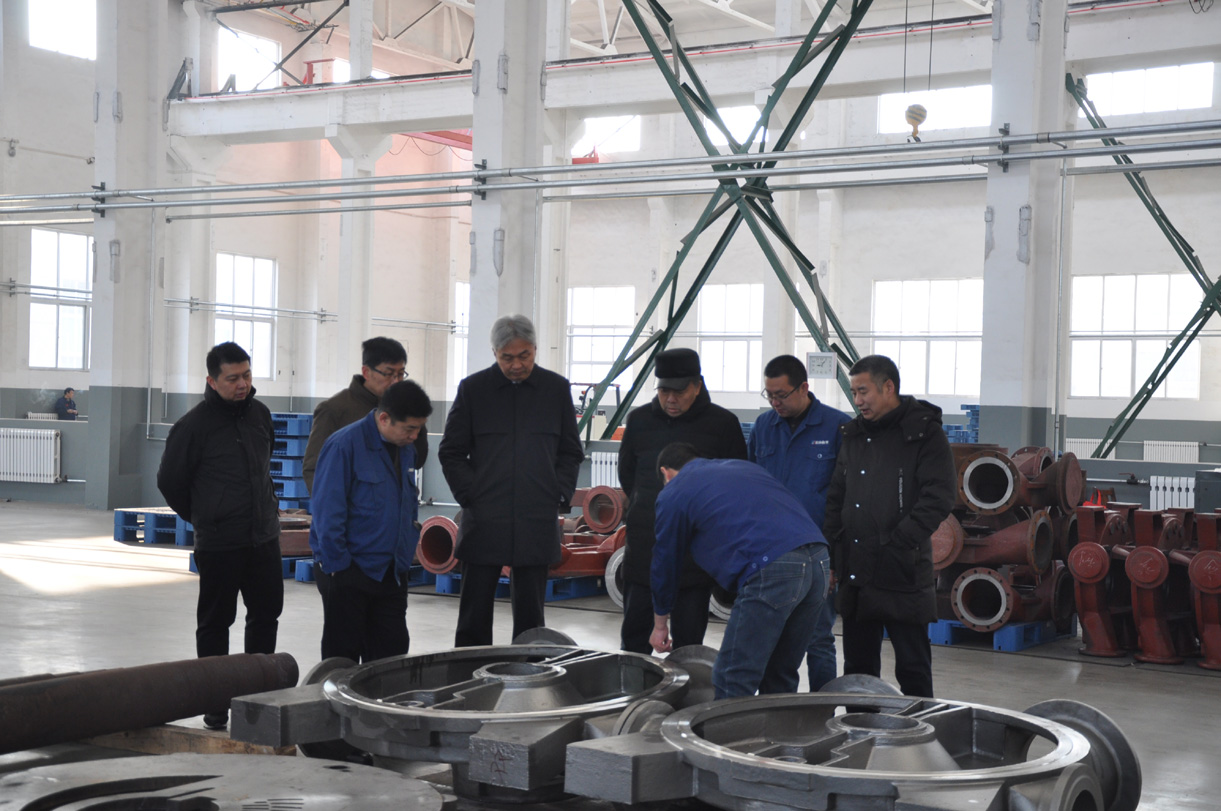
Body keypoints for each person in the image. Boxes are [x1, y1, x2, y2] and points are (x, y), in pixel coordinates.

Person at [157, 342, 283, 730]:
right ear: (212, 381)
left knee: (265, 616)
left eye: (246, 375)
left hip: (263, 538)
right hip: (220, 543)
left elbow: (264, 468)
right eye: (232, 378)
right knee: (216, 623)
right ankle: (215, 701)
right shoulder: (193, 426)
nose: (242, 384)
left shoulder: (260, 415)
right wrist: (205, 517)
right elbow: (170, 482)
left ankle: (257, 698)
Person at [438, 314, 584, 647]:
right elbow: (451, 451)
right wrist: (471, 495)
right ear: (494, 353)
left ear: (535, 349)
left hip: (536, 514)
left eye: (524, 356)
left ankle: (531, 670)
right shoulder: (473, 390)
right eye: (507, 357)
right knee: (474, 611)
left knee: (532, 615)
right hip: (485, 517)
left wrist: (558, 493)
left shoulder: (555, 389)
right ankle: (469, 668)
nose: (517, 365)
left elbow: (571, 451)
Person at [651, 442, 829, 699]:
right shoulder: (743, 468)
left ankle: (726, 727)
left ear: (665, 473)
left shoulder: (675, 490)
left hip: (774, 567)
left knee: (732, 677)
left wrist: (660, 624)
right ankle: (778, 725)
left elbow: (665, 561)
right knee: (780, 672)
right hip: (819, 560)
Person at [823, 354, 955, 698]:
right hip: (857, 572)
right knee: (858, 670)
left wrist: (899, 541)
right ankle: (858, 727)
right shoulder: (853, 435)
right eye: (854, 393)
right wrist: (834, 555)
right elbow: (836, 498)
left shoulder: (924, 433)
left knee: (912, 667)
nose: (858, 400)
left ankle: (919, 728)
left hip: (902, 571)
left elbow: (939, 496)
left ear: (888, 387)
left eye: (863, 391)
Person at [617, 348, 746, 655]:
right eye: (664, 391)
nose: (670, 399)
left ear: (697, 386)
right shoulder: (639, 421)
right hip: (645, 551)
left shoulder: (722, 424)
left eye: (679, 391)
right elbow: (628, 476)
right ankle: (634, 687)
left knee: (688, 645)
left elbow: (734, 486)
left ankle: (686, 687)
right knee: (635, 641)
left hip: (695, 555)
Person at [308, 381, 432, 663]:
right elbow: (327, 512)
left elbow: (407, 503)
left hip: (392, 572)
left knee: (391, 657)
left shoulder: (405, 449)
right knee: (343, 661)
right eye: (409, 429)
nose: (415, 436)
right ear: (384, 418)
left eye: (419, 429)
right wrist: (340, 568)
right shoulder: (343, 446)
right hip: (350, 571)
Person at [749, 354, 851, 691]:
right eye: (769, 395)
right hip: (772, 554)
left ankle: (821, 710)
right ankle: (780, 708)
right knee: (773, 636)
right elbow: (751, 489)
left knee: (818, 638)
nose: (775, 402)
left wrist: (835, 560)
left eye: (781, 395)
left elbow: (846, 500)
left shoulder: (837, 427)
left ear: (804, 387)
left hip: (818, 554)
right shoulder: (764, 427)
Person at [303, 337, 428, 494]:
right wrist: (333, 507)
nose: (396, 381)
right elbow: (314, 469)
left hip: (397, 504)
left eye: (401, 374)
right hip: (356, 507)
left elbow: (417, 461)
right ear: (366, 372)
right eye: (388, 374)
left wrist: (415, 422)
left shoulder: (404, 408)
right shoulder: (334, 410)